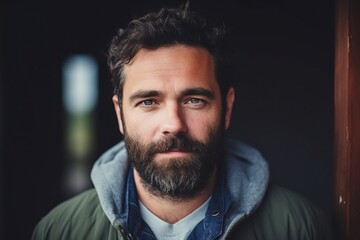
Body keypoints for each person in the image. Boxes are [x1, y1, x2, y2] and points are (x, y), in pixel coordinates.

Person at [32, 3, 332, 240]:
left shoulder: (301, 227)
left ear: (226, 109)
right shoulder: (59, 231)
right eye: (148, 102)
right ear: (119, 115)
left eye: (194, 100)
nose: (174, 124)